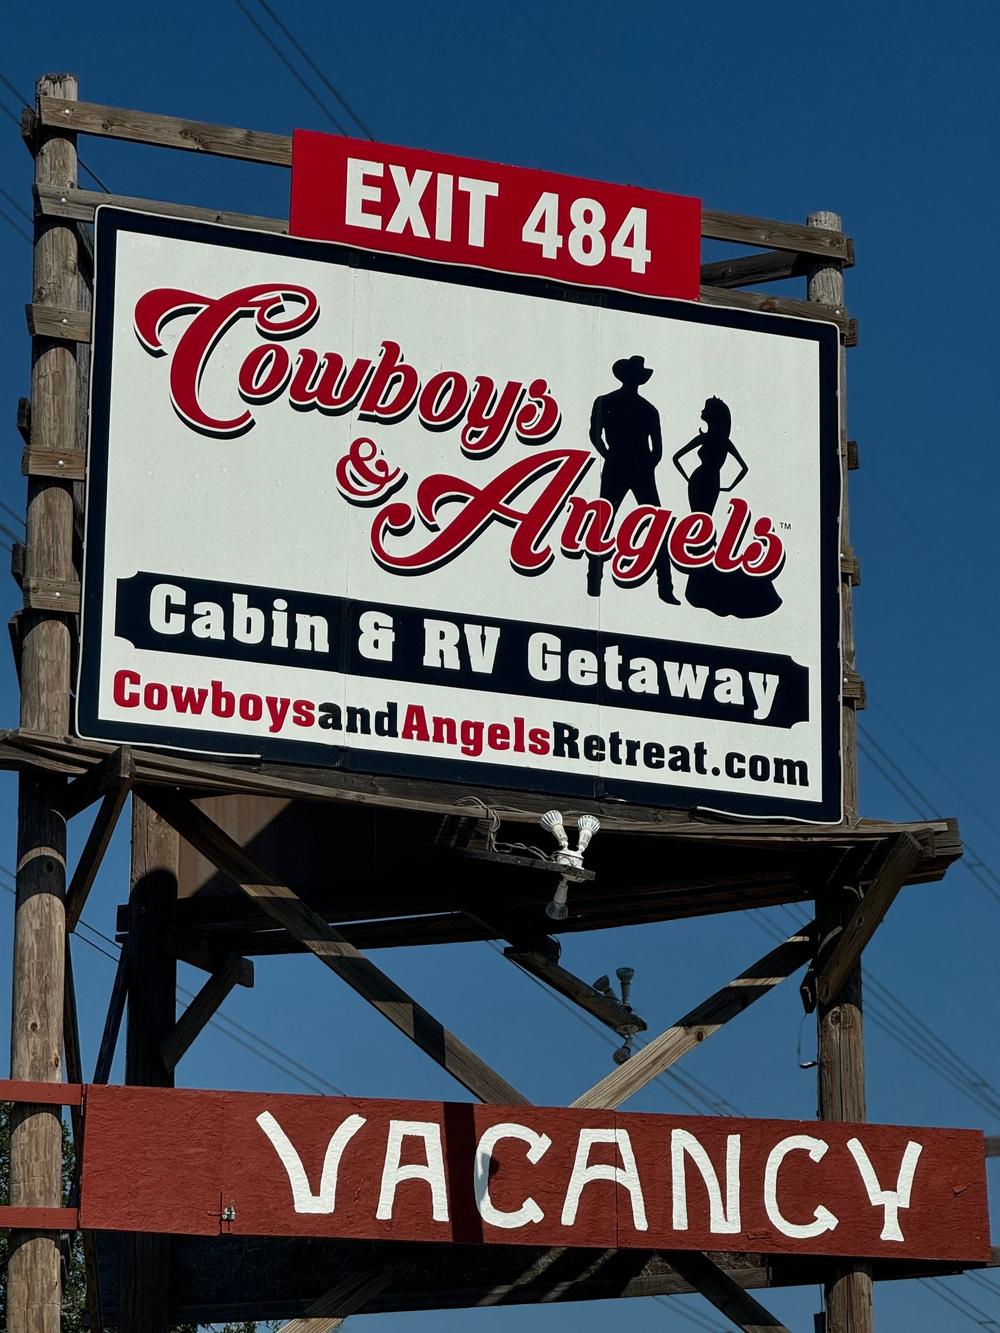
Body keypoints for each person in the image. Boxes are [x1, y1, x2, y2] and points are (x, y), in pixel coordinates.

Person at [672, 396, 781, 619]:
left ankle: (697, 577)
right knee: (701, 523)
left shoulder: (716, 440)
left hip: (702, 480)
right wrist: (727, 486)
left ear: (713, 415)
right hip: (709, 481)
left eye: (706, 409)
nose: (702, 411)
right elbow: (743, 468)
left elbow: (677, 458)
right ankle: (697, 573)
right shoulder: (720, 440)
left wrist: (691, 478)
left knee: (701, 523)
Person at [587, 356, 678, 603]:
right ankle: (665, 588)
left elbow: (595, 436)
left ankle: (593, 585)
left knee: (603, 524)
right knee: (653, 526)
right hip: (636, 466)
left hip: (621, 465)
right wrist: (644, 464)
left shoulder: (607, 402)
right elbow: (657, 450)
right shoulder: (647, 409)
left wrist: (609, 454)